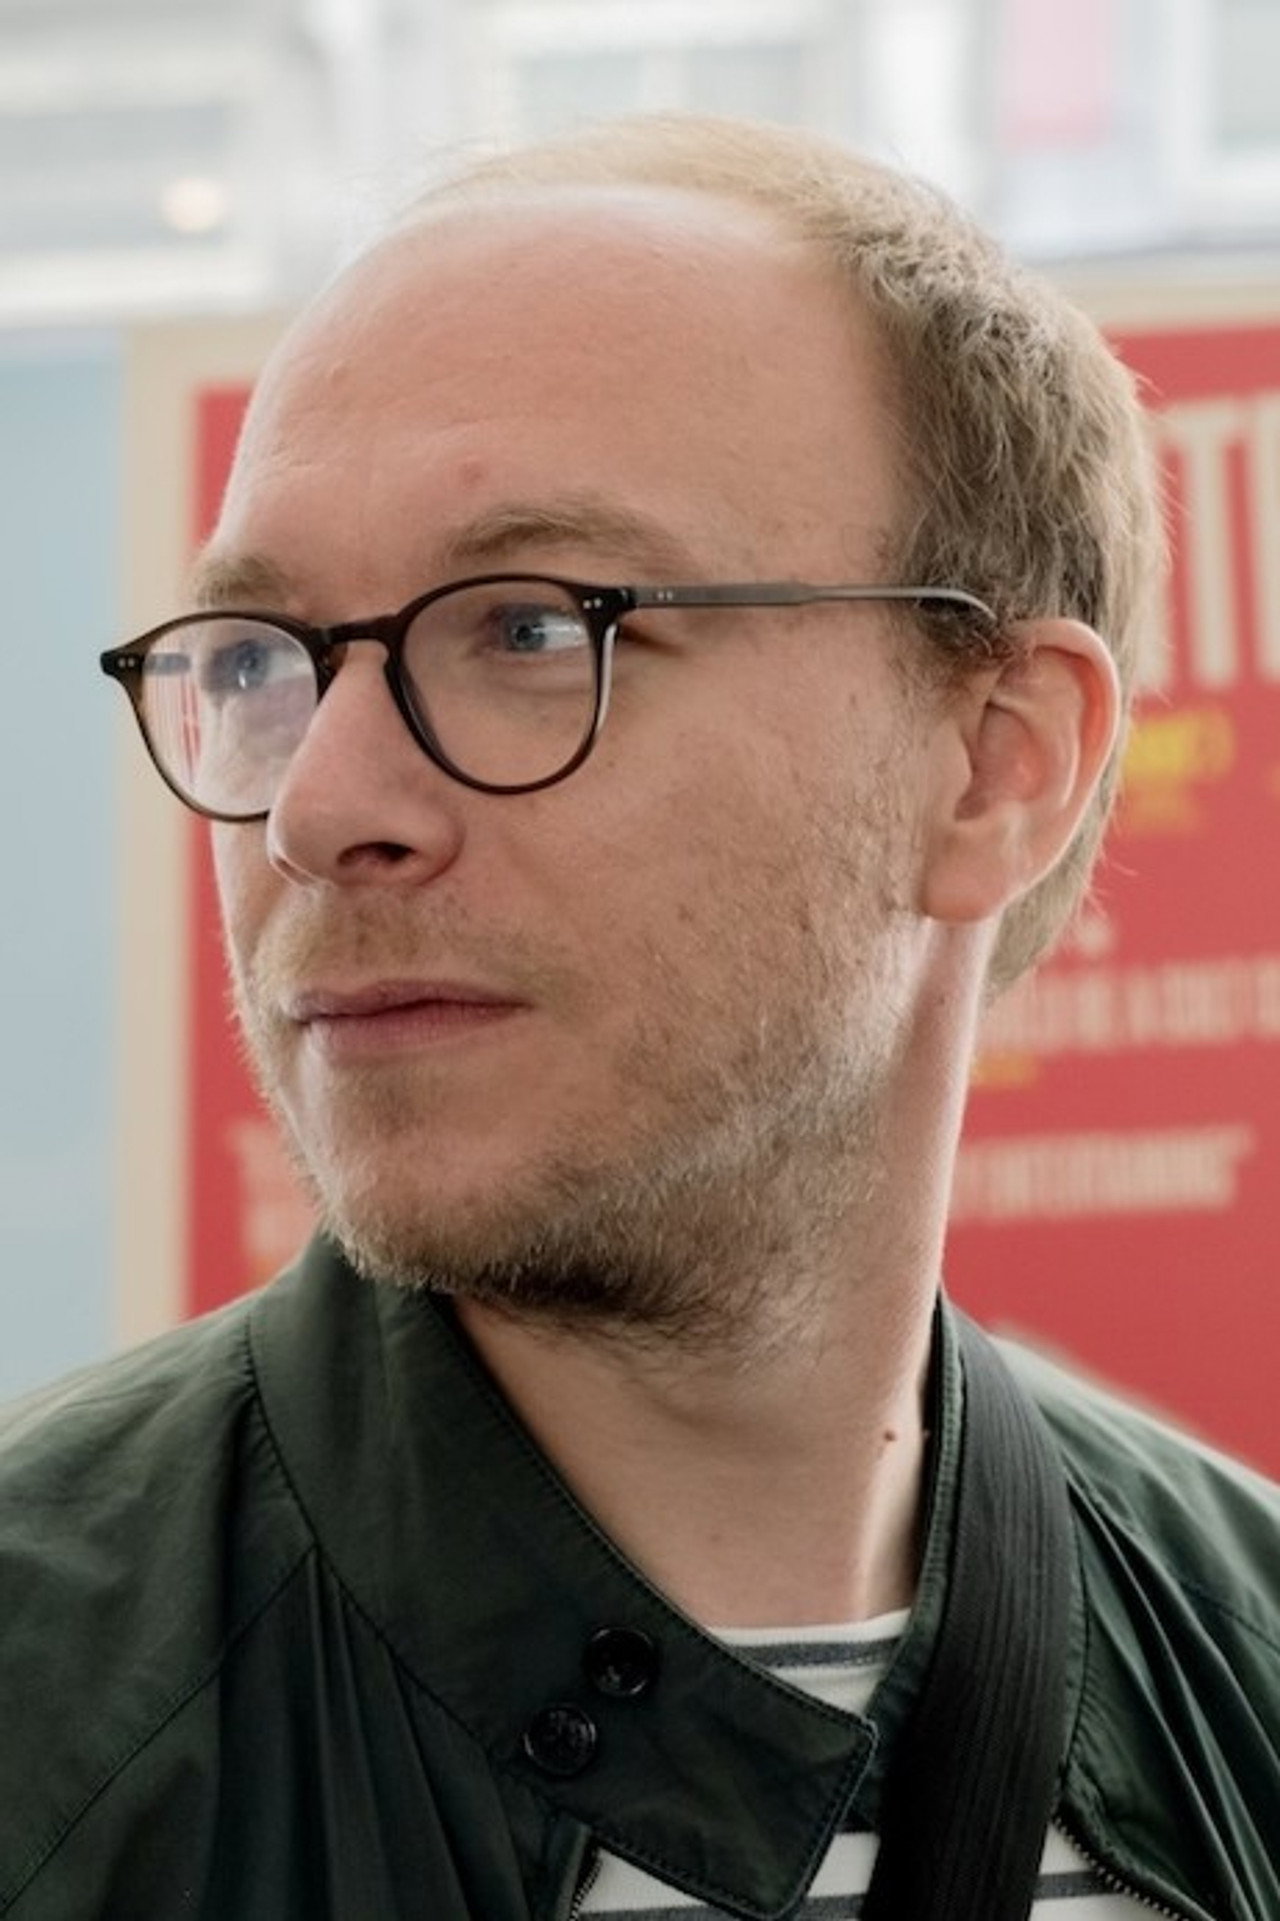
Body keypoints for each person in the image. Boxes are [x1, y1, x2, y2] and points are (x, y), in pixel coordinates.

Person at [5, 112, 1278, 1920]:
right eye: (262, 658)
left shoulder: (1245, 1678)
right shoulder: (47, 1719)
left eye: (532, 630)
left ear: (996, 763)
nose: (319, 807)